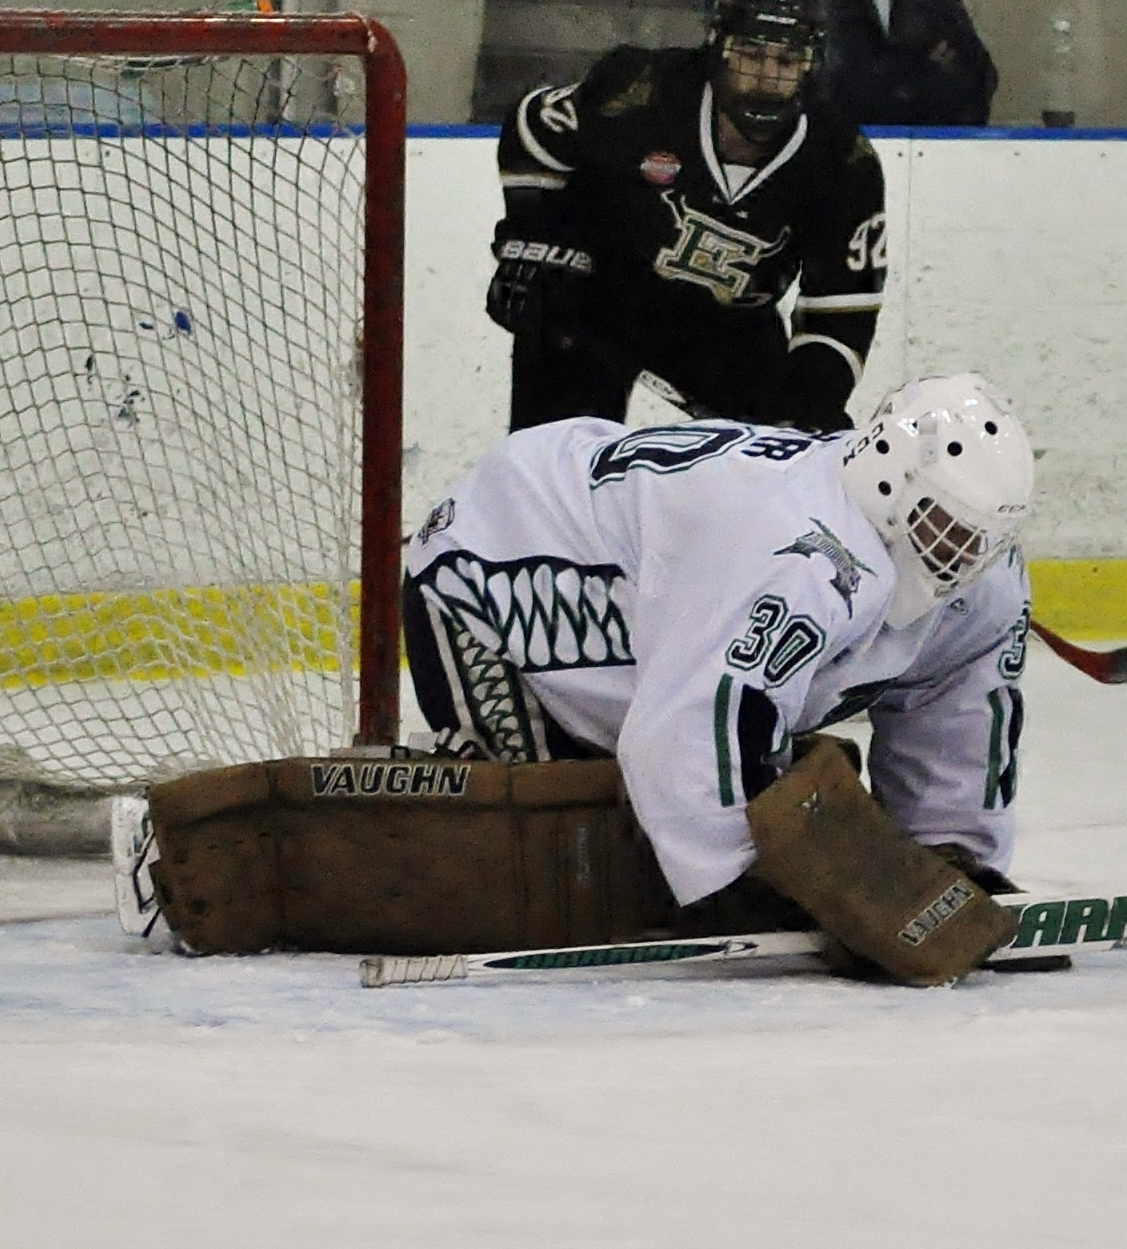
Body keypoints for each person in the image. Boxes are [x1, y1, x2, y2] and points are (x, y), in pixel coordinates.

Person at [402, 374, 1059, 981]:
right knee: (577, 843)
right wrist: (753, 881)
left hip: (634, 586)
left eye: (982, 539)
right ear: (890, 481)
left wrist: (950, 859)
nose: (964, 557)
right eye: (946, 528)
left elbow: (961, 706)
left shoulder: (979, 577)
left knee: (675, 807)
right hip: (491, 561)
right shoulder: (797, 547)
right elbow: (691, 723)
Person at [486, 0, 887, 434]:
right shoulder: (641, 89)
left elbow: (840, 317)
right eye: (751, 54)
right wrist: (535, 242)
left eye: (787, 61)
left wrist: (806, 405)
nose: (767, 79)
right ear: (718, 49)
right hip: (601, 293)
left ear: (812, 67)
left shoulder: (844, 164)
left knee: (807, 441)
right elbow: (533, 129)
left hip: (726, 327)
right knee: (552, 456)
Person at [817, 0, 997, 127]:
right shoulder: (827, 10)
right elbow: (842, 83)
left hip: (933, 145)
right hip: (850, 146)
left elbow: (980, 77)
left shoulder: (940, 8)